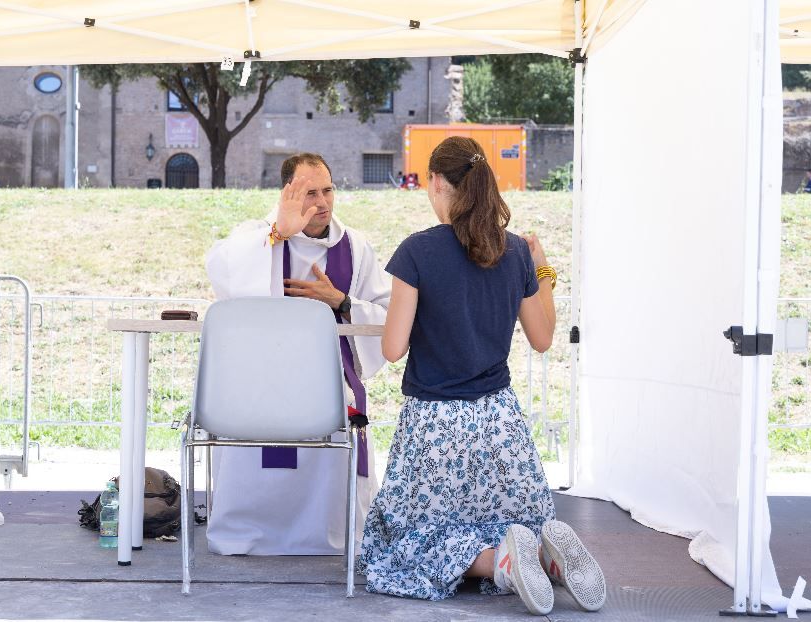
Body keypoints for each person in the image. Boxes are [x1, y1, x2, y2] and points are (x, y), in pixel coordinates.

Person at [357, 136, 606, 615]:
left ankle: (501, 564)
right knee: (505, 518)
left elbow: (392, 348)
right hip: (499, 425)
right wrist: (543, 270)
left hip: (434, 427)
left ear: (436, 184)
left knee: (400, 547)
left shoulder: (417, 252)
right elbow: (541, 337)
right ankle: (543, 558)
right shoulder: (513, 252)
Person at [204, 152, 390, 555]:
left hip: (329, 381)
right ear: (287, 194)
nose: (322, 203)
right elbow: (221, 270)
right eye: (310, 193)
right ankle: (249, 532)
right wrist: (276, 233)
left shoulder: (354, 249)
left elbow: (388, 315)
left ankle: (330, 535)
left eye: (328, 191)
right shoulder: (260, 236)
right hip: (262, 380)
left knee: (336, 409)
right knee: (251, 414)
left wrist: (341, 301)